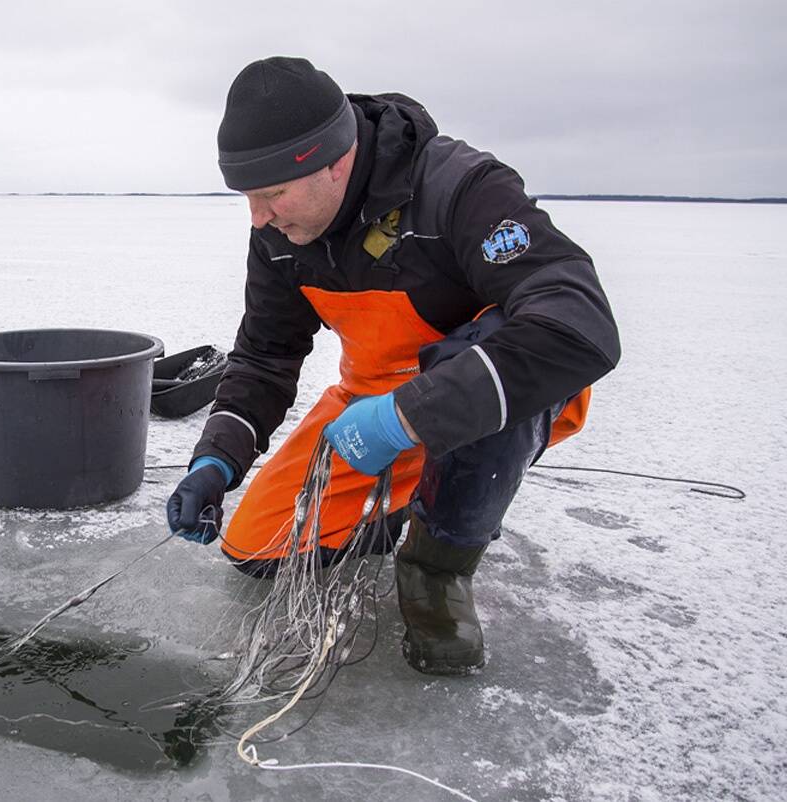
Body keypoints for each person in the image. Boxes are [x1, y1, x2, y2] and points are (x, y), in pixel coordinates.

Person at [166, 57, 621, 676]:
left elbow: (579, 325)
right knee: (256, 544)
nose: (258, 216)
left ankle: (437, 563)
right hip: (369, 403)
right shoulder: (279, 233)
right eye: (247, 197)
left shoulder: (461, 190)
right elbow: (267, 354)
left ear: (335, 159)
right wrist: (216, 460)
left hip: (489, 404)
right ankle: (413, 494)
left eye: (271, 193)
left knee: (494, 354)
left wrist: (409, 417)